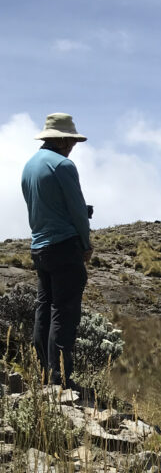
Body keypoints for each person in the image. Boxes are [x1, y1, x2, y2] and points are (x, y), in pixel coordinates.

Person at [21, 112, 93, 387]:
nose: (73, 146)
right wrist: (85, 245)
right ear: (62, 140)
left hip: (39, 247)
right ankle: (60, 378)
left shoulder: (29, 166)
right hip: (65, 247)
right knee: (64, 310)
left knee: (45, 308)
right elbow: (76, 209)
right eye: (71, 140)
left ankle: (43, 374)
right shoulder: (63, 165)